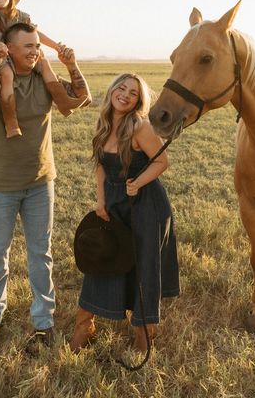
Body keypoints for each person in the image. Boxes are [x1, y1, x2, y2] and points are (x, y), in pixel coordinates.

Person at [0, 22, 91, 351]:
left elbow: (79, 100)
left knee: (39, 254)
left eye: (36, 45)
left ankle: (43, 322)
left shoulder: (45, 79)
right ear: (9, 49)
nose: (35, 50)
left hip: (39, 182)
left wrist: (71, 65)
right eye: (27, 46)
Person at [70, 73, 180, 354]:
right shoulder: (104, 123)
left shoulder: (140, 127)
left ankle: (143, 335)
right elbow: (100, 166)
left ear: (138, 101)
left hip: (146, 204)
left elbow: (161, 161)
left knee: (143, 265)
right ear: (112, 91)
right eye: (121, 88)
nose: (125, 94)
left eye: (133, 93)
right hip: (116, 203)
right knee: (103, 257)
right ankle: (84, 326)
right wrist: (100, 201)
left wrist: (138, 183)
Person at [0, 0, 87, 138]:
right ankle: (11, 122)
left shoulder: (22, 16)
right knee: (7, 74)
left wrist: (55, 46)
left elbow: (36, 33)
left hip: (18, 53)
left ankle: (63, 101)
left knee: (44, 62)